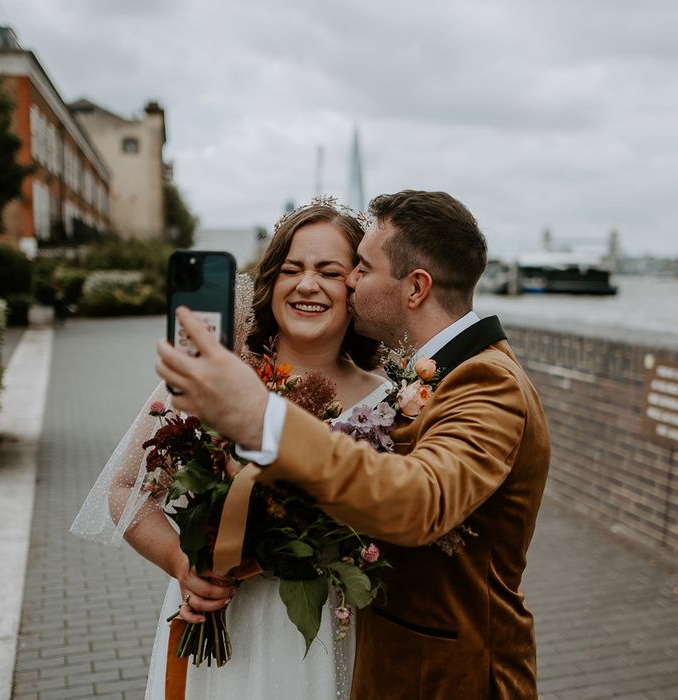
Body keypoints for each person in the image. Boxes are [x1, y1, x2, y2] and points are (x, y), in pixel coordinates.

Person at [156, 190, 551, 699]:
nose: (350, 282)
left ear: (415, 288)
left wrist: (261, 419)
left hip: (450, 680)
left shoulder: (488, 383)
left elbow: (419, 499)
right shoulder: (434, 371)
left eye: (360, 267)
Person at [72, 201, 390, 699]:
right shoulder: (216, 377)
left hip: (328, 627)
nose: (308, 285)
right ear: (271, 281)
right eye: (292, 269)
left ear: (356, 287)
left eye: (330, 271)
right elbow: (123, 489)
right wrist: (183, 566)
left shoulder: (387, 401)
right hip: (218, 617)